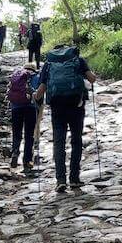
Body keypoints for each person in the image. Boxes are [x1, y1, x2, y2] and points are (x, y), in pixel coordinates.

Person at [34, 45, 97, 192]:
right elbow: (92, 79)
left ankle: (60, 180)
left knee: (59, 142)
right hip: (76, 105)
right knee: (76, 140)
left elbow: (41, 90)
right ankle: (74, 179)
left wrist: (35, 96)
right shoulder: (78, 60)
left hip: (57, 107)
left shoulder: (49, 64)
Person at [7, 64, 38, 173]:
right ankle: (27, 160)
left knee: (16, 133)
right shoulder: (35, 77)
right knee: (29, 135)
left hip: (16, 107)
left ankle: (15, 152)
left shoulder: (16, 75)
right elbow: (38, 93)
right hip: (30, 108)